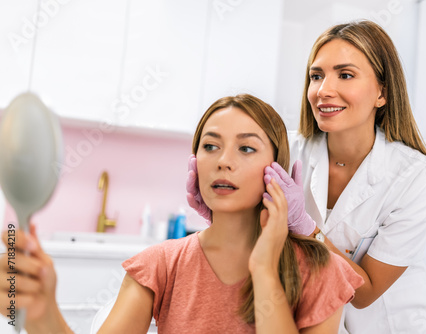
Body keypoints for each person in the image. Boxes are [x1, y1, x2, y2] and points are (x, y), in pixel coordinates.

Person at [0, 94, 363, 333]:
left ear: (279, 172)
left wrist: (265, 269)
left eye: (247, 148)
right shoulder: (159, 266)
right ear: (195, 165)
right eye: (210, 146)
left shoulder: (321, 272)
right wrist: (41, 311)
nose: (223, 161)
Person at [187, 21, 426, 333]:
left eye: (345, 75)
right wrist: (220, 215)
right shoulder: (286, 151)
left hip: (390, 324)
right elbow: (260, 240)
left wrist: (307, 228)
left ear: (382, 92)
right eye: (316, 76)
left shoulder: (416, 177)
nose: (323, 90)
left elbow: (364, 291)